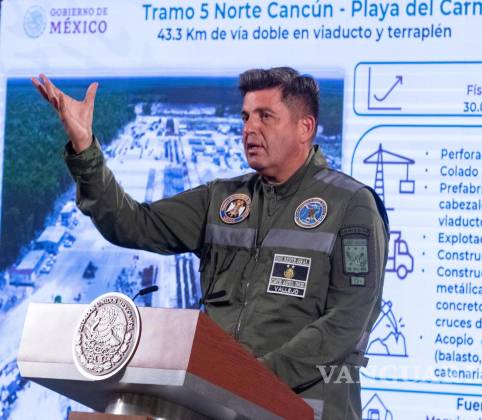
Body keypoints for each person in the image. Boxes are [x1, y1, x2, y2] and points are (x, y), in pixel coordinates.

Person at [32, 67, 389, 419]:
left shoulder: (351, 205)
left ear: (304, 127)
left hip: (303, 409)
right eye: (246, 117)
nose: (250, 128)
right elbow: (133, 224)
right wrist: (85, 151)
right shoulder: (222, 200)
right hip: (218, 405)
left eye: (265, 116)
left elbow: (348, 321)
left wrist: (252, 379)